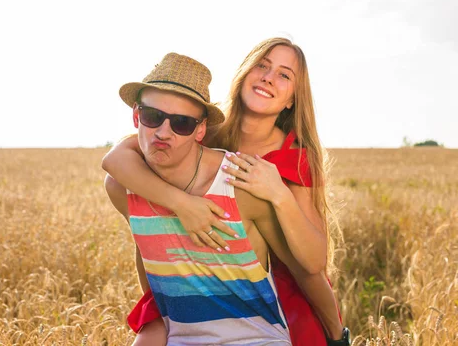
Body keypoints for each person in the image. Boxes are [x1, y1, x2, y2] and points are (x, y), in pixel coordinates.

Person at [103, 39, 350, 346]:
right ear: (244, 73)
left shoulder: (294, 158)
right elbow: (115, 161)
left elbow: (312, 266)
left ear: (292, 100)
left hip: (280, 285)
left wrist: (279, 194)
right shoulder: (193, 132)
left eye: (284, 75)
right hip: (196, 274)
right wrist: (182, 204)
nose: (269, 77)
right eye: (262, 65)